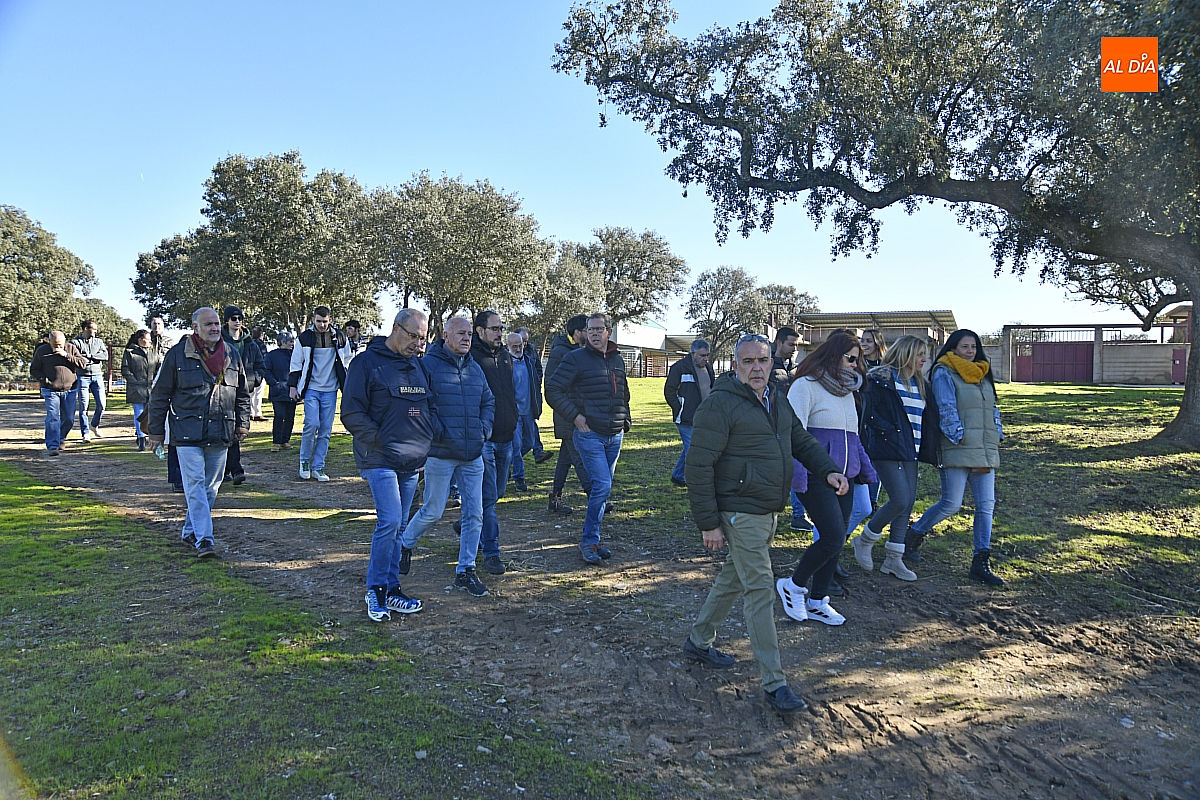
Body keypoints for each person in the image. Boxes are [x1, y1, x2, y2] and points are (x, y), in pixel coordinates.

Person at [682, 333, 847, 717]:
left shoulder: (777, 399)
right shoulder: (720, 405)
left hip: (768, 510)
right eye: (748, 362)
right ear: (735, 365)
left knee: (734, 578)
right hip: (740, 513)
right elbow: (698, 466)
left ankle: (698, 640)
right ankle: (775, 683)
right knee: (760, 590)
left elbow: (801, 441)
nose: (757, 368)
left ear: (772, 362)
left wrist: (828, 472)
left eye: (763, 360)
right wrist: (709, 523)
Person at [776, 332, 877, 626]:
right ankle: (793, 585)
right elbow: (794, 434)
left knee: (837, 539)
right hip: (815, 475)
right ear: (833, 354)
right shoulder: (805, 386)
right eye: (850, 359)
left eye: (859, 361)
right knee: (832, 535)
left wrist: (862, 470)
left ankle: (818, 600)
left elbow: (853, 438)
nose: (856, 366)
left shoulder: (848, 394)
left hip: (845, 477)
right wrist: (798, 477)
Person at [341, 309, 436, 621]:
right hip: (378, 458)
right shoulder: (366, 363)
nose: (418, 344)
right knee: (391, 520)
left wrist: (426, 435)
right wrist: (381, 440)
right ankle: (376, 589)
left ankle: (393, 588)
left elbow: (428, 406)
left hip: (412, 461)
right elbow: (352, 413)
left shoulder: (419, 367)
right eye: (413, 336)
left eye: (423, 339)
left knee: (400, 527)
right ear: (396, 329)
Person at [398, 317, 494, 597]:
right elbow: (414, 406)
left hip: (472, 453)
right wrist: (435, 430)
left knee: (474, 514)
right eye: (460, 334)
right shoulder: (427, 365)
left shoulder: (475, 368)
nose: (466, 339)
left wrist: (483, 430)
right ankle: (405, 544)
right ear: (445, 336)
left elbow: (488, 401)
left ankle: (466, 569)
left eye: (469, 334)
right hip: (441, 453)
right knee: (433, 510)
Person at [146, 307, 251, 558]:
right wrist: (156, 433)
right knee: (194, 485)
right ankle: (205, 540)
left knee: (211, 488)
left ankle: (190, 531)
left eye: (216, 323)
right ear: (195, 328)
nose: (215, 328)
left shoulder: (232, 354)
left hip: (221, 431)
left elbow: (243, 394)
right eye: (209, 324)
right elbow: (160, 396)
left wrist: (243, 423)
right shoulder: (177, 356)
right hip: (186, 433)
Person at [906, 329, 1006, 586]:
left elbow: (993, 408)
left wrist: (997, 434)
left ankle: (980, 561)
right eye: (965, 346)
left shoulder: (982, 373)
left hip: (984, 450)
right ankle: (913, 536)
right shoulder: (944, 372)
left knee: (986, 506)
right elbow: (946, 407)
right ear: (954, 347)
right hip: (957, 447)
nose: (970, 351)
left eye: (973, 346)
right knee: (951, 504)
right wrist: (959, 438)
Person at [545, 312, 631, 565]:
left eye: (598, 329)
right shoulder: (575, 358)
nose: (594, 333)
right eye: (590, 329)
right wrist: (575, 417)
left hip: (615, 435)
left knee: (603, 491)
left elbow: (623, 391)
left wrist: (625, 419)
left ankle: (595, 538)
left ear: (608, 331)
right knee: (601, 487)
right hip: (589, 434)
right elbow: (552, 389)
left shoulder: (617, 360)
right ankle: (588, 540)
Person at [854, 335, 934, 581]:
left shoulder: (920, 383)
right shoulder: (881, 379)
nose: (924, 359)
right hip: (886, 448)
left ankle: (893, 559)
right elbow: (869, 412)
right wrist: (887, 431)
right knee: (899, 499)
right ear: (906, 353)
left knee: (908, 503)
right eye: (920, 354)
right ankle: (865, 539)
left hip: (912, 450)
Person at [468, 310, 518, 575]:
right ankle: (491, 551)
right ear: (480, 331)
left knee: (496, 494)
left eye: (501, 328)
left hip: (507, 437)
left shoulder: (506, 357)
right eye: (495, 328)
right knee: (488, 498)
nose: (500, 333)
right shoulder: (471, 358)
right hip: (484, 440)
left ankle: (469, 523)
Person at [289, 305, 352, 481]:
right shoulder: (304, 338)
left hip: (330, 390)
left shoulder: (340, 337)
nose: (322, 325)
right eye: (318, 321)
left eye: (325, 321)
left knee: (325, 429)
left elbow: (347, 360)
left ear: (330, 320)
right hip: (311, 389)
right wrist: (293, 386)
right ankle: (304, 462)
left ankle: (319, 467)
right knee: (311, 424)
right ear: (313, 320)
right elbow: (296, 363)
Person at [544, 315, 592, 515]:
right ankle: (595, 497)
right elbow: (552, 387)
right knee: (581, 457)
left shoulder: (580, 352)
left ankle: (555, 498)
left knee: (565, 459)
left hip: (579, 413)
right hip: (568, 416)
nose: (590, 335)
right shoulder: (560, 353)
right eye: (586, 330)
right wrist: (571, 412)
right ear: (577, 332)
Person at [221, 306, 264, 485]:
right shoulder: (218, 341)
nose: (237, 321)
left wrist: (253, 382)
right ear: (227, 321)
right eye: (233, 318)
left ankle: (233, 470)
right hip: (224, 392)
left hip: (243, 392)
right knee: (225, 431)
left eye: (240, 318)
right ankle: (230, 470)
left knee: (237, 430)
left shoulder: (250, 344)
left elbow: (260, 366)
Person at [663, 339, 714, 488]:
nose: (705, 359)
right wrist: (679, 407)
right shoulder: (679, 368)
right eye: (702, 355)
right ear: (692, 353)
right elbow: (669, 391)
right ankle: (695, 480)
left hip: (704, 417)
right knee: (694, 449)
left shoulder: (708, 368)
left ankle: (678, 475)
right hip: (685, 418)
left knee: (691, 448)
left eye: (707, 355)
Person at [30, 331, 87, 456]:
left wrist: (66, 355)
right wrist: (44, 380)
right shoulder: (42, 351)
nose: (57, 347)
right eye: (55, 345)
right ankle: (52, 445)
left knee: (69, 419)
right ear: (48, 341)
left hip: (70, 389)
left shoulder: (71, 348)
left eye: (60, 344)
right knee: (52, 417)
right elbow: (34, 369)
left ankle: (61, 438)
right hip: (50, 390)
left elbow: (82, 364)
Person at [507, 331, 543, 492]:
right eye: (514, 346)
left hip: (529, 410)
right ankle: (519, 478)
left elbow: (536, 383)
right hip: (513, 412)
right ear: (508, 347)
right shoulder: (504, 363)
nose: (517, 349)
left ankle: (507, 463)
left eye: (520, 345)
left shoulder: (529, 361)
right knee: (516, 446)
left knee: (529, 443)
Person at [515, 326, 552, 465]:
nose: (524, 344)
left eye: (526, 341)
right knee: (521, 440)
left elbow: (538, 367)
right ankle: (514, 463)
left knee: (530, 432)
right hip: (518, 403)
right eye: (522, 341)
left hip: (531, 398)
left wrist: (536, 382)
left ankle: (536, 451)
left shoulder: (531, 350)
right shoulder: (510, 354)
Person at [121, 329, 160, 451]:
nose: (149, 342)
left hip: (151, 388)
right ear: (140, 340)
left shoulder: (154, 353)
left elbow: (159, 367)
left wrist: (156, 382)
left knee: (152, 413)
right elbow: (125, 369)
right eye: (147, 339)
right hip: (136, 388)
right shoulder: (130, 352)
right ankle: (141, 438)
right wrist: (134, 382)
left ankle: (151, 436)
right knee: (139, 413)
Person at [71, 320, 109, 441]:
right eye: (93, 329)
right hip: (82, 376)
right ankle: (85, 433)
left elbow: (105, 356)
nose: (95, 331)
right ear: (85, 328)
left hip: (98, 375)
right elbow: (77, 360)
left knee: (102, 405)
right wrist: (90, 357)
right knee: (84, 406)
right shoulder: (75, 343)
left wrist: (90, 356)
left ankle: (94, 425)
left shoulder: (99, 342)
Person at [264, 333, 298, 451]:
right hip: (278, 392)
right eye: (290, 341)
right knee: (279, 415)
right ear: (282, 342)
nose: (292, 344)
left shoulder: (295, 355)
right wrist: (274, 383)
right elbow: (266, 370)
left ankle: (285, 440)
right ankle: (276, 442)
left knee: (290, 416)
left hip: (292, 390)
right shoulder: (271, 355)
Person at [248, 326, 270, 421]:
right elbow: (264, 359)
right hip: (259, 372)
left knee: (250, 393)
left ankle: (250, 413)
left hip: (249, 372)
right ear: (261, 335)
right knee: (258, 393)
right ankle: (257, 413)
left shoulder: (249, 344)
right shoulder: (261, 345)